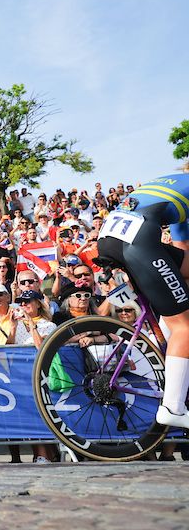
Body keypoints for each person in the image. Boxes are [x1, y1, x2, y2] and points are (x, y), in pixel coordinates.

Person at [94, 169, 189, 429]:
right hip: (137, 242)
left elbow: (182, 251)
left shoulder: (176, 180)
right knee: (186, 326)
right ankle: (173, 408)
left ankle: (172, 348)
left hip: (111, 238)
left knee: (178, 298)